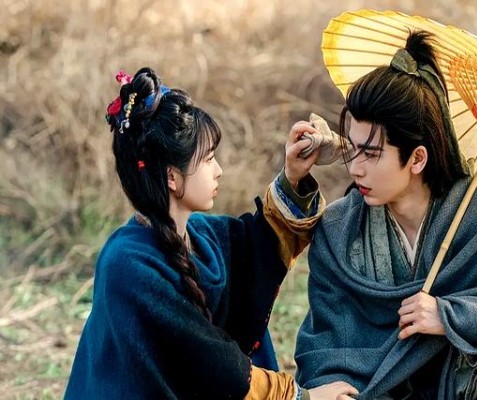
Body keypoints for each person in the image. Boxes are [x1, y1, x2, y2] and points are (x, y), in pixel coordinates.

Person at [64, 67, 358, 400]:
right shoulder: (128, 265)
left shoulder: (200, 234)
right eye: (208, 159)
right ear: (172, 177)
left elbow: (258, 245)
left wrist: (293, 173)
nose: (218, 170)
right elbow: (211, 363)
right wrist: (303, 397)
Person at [294, 32, 477, 399]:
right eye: (353, 149)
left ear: (417, 158)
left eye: (371, 154)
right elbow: (323, 342)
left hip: (465, 389)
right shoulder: (338, 230)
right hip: (373, 392)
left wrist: (450, 315)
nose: (355, 169)